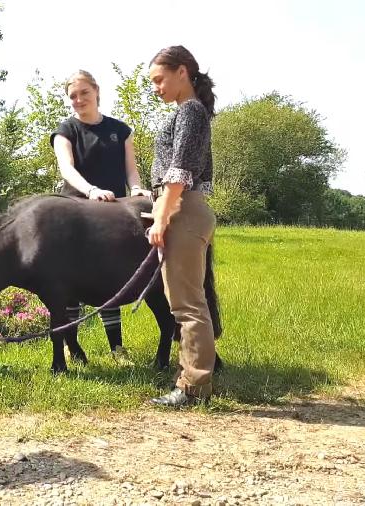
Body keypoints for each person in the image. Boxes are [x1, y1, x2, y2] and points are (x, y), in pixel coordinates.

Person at [50, 70, 152, 359]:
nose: (78, 100)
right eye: (73, 96)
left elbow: (131, 170)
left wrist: (136, 189)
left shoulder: (120, 130)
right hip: (76, 212)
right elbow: (66, 169)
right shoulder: (65, 130)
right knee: (71, 281)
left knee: (109, 278)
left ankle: (117, 348)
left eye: (84, 93)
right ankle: (71, 345)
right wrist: (91, 190)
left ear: (96, 91)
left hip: (113, 212)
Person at [145, 46, 218, 407]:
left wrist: (162, 215)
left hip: (183, 210)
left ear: (183, 72)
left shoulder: (190, 111)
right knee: (185, 301)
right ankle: (192, 380)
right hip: (181, 206)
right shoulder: (189, 111)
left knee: (188, 304)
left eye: (159, 79)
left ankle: (193, 386)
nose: (155, 87)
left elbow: (181, 171)